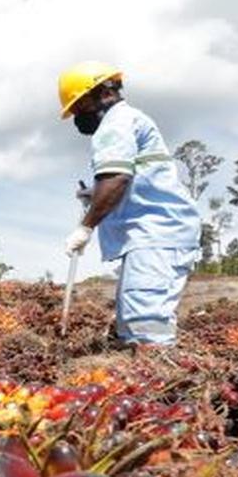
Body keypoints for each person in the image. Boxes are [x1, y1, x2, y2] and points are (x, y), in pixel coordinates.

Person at [58, 61, 201, 346]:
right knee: (131, 319)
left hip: (156, 234)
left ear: (99, 94)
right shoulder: (128, 120)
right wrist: (94, 194)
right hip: (153, 235)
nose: (78, 117)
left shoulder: (114, 125)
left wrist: (86, 228)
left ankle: (158, 378)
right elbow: (131, 178)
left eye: (78, 108)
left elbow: (117, 179)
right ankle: (144, 374)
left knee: (145, 323)